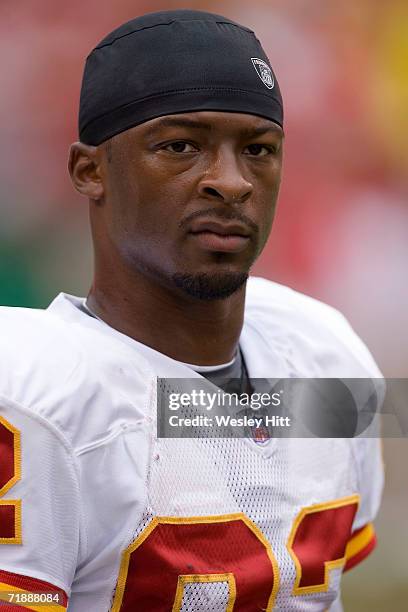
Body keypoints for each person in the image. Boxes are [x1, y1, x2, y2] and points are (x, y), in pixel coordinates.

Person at [0, 9, 383, 612]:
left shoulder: (324, 351)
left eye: (258, 148)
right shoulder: (35, 392)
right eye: (179, 146)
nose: (232, 182)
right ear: (89, 170)